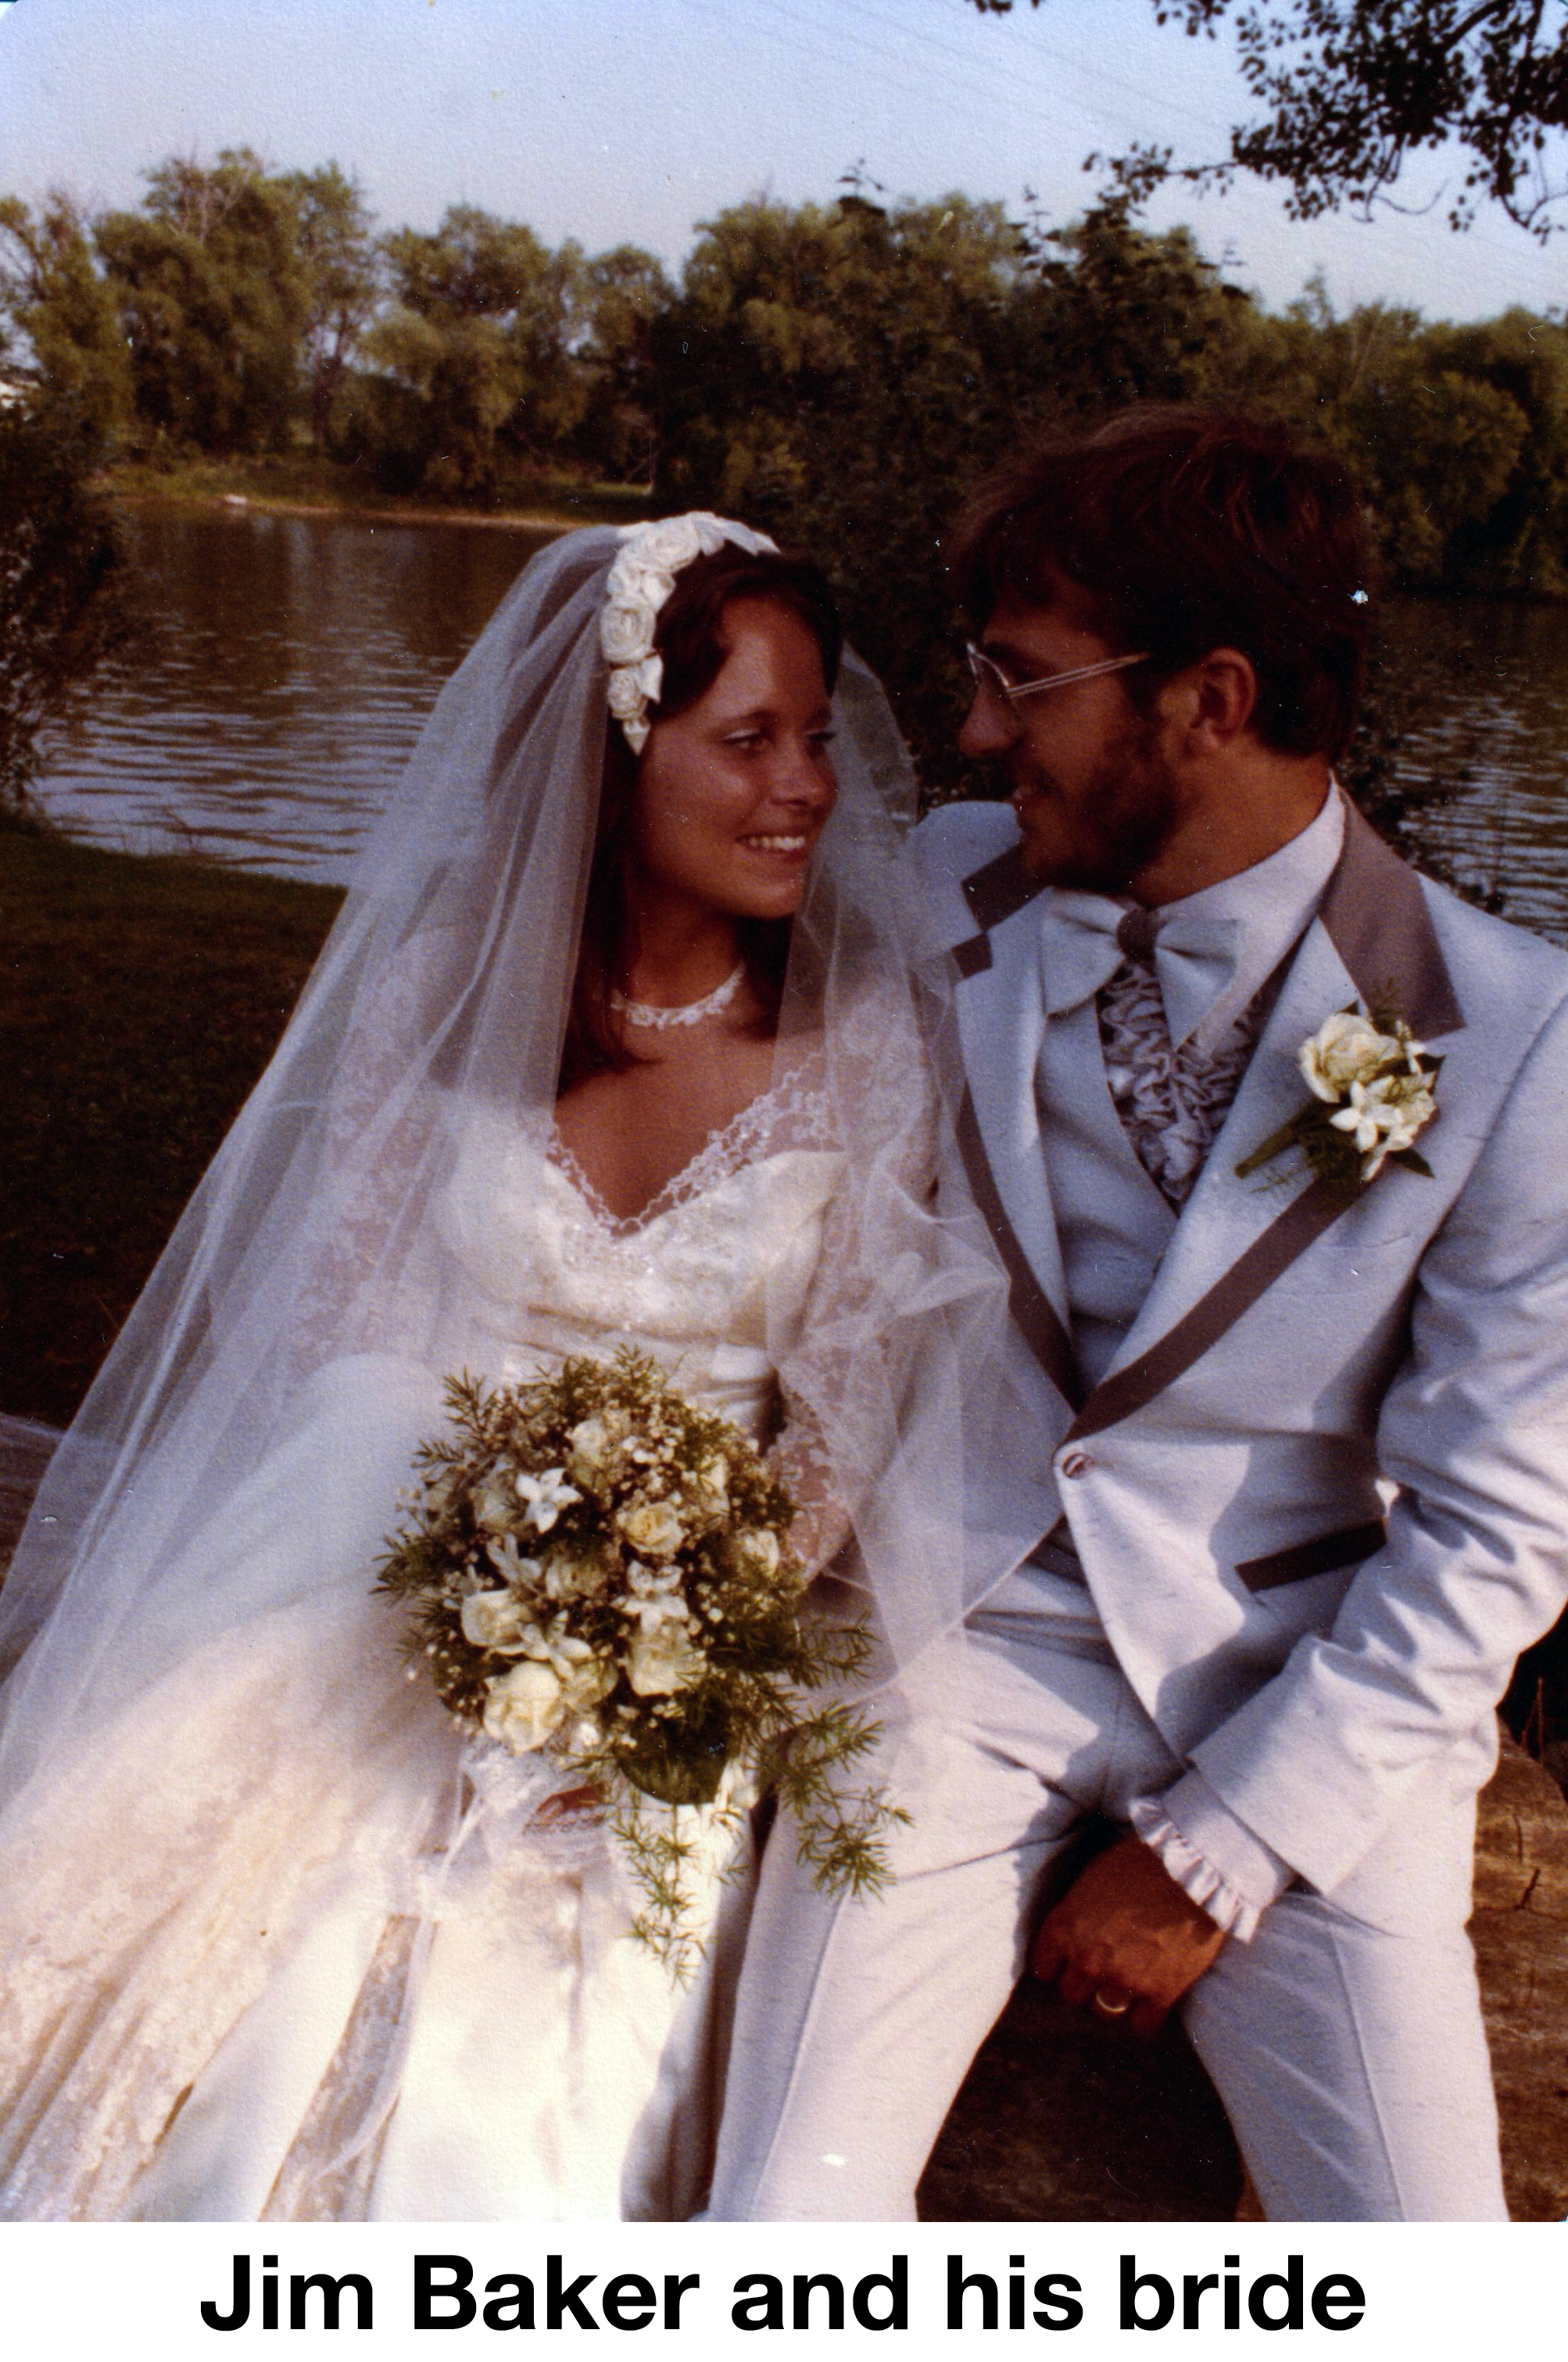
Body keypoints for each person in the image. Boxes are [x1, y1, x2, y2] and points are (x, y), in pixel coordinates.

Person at [0, 514, 1000, 2220]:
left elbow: (829, 1448)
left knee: (528, 2043)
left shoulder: (866, 1041)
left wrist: (650, 1645)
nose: (807, 788)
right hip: (375, 1537)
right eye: (747, 738)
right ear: (615, 759)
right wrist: (467, 1588)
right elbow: (344, 1330)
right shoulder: (443, 983)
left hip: (690, 1633)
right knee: (226, 1893)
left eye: (818, 736)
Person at [707, 408, 1568, 2223]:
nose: (970, 733)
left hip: (1304, 1702)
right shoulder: (933, 887)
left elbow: (1500, 1528)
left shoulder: (1512, 1037)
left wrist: (1217, 1852)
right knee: (777, 2230)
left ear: (1215, 697)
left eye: (1021, 681)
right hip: (952, 1653)